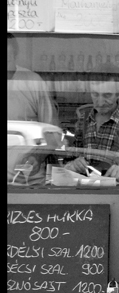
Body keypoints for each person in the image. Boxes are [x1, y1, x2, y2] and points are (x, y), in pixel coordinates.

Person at [8, 32, 60, 186]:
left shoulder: (32, 81)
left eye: (7, 57)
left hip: (29, 181)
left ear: (15, 56)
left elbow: (52, 132)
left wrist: (37, 157)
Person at [64, 63, 119, 179]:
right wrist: (73, 164)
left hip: (118, 194)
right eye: (95, 94)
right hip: (86, 192)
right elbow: (64, 158)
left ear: (118, 94)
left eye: (107, 95)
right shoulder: (82, 121)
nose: (100, 102)